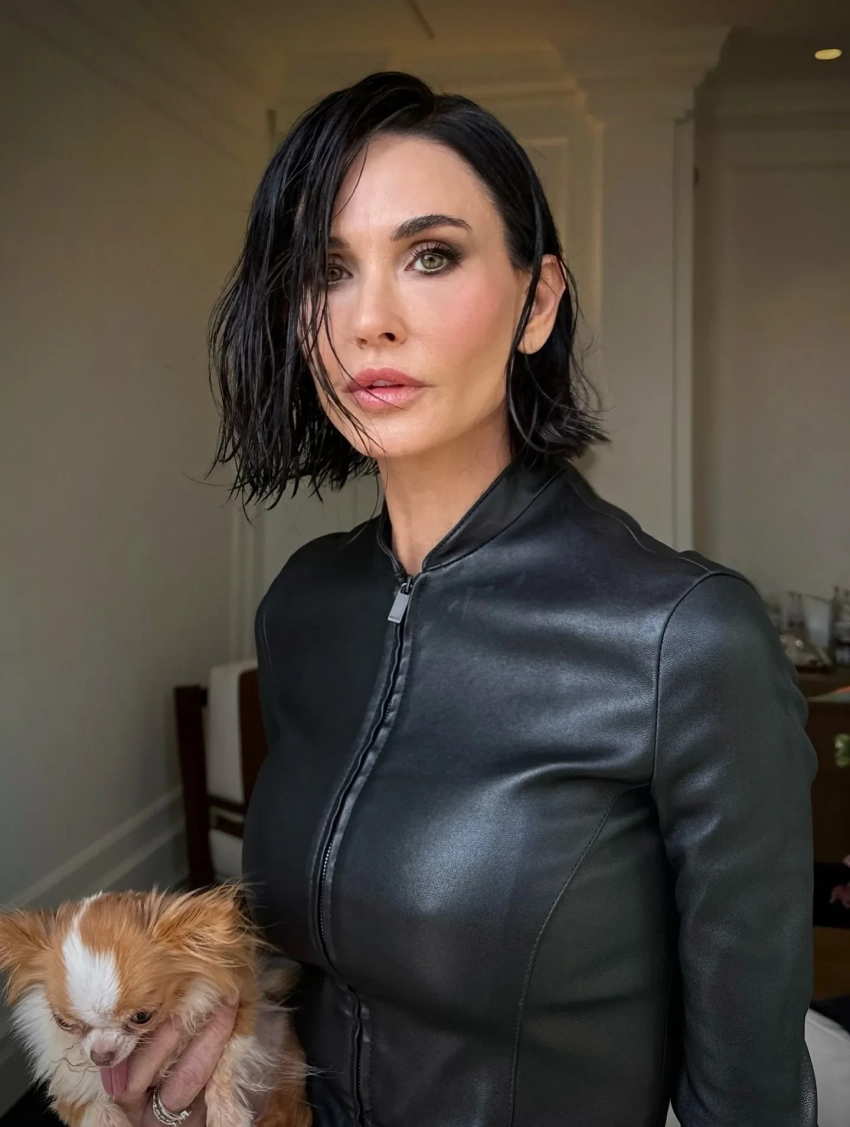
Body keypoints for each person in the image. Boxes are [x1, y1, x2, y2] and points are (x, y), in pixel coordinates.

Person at [123, 72, 819, 1126]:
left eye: (431, 255)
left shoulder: (681, 637)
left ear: (538, 302)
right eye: (327, 271)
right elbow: (322, 955)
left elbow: (751, 1100)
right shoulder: (305, 603)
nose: (368, 320)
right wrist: (241, 1014)